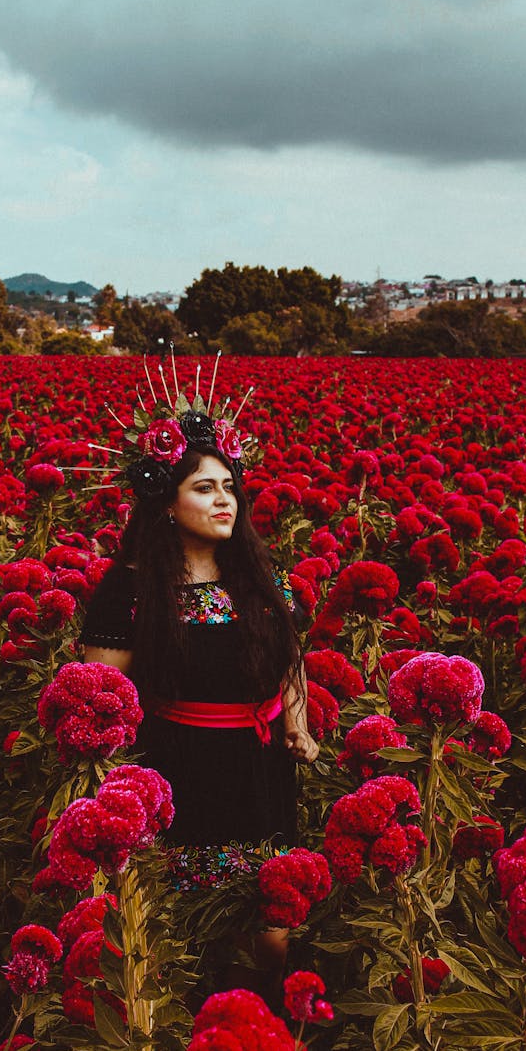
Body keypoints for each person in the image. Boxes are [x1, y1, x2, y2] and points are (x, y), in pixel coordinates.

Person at [79, 417, 319, 995]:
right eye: (204, 488)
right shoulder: (129, 590)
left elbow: (289, 658)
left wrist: (298, 719)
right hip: (179, 772)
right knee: (176, 932)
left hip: (260, 772)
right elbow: (102, 696)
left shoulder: (263, 579)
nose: (222, 500)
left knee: (267, 935)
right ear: (166, 503)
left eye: (229, 487)